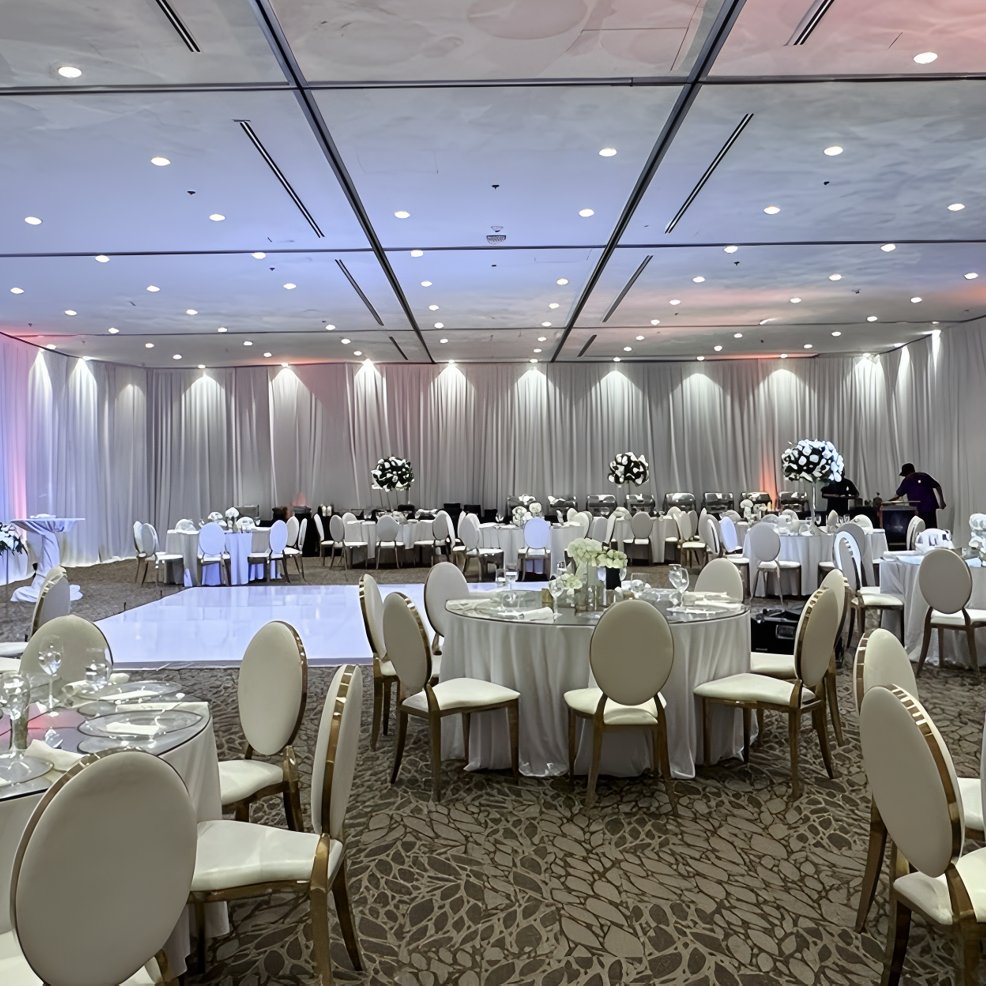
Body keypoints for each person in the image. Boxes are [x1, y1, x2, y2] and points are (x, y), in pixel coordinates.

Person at [892, 462, 946, 528]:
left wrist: (887, 502)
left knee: (919, 529)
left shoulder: (907, 480)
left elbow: (897, 496)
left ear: (908, 472)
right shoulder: (924, 476)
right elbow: (937, 486)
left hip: (918, 509)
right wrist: (941, 501)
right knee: (931, 527)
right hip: (929, 507)